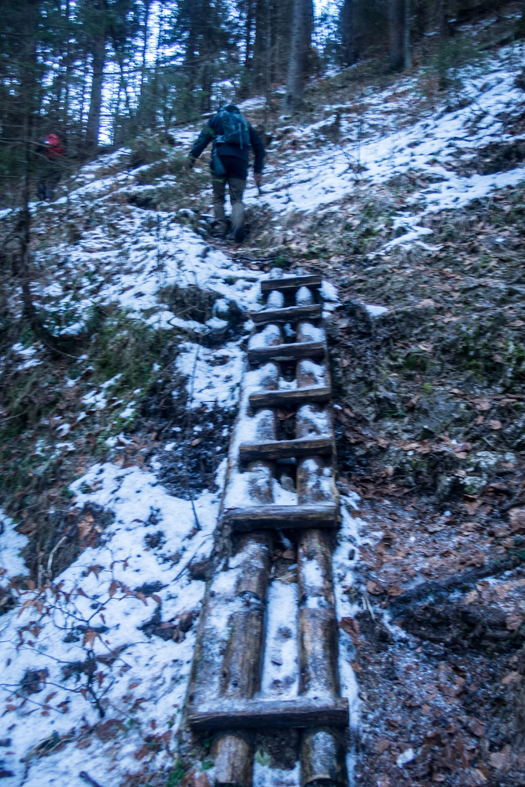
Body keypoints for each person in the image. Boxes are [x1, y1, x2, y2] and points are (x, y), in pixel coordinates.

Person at [186, 104, 265, 242]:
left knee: (218, 198)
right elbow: (259, 147)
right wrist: (257, 170)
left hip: (219, 161)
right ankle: (237, 228)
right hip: (240, 162)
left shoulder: (215, 119)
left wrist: (190, 162)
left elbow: (202, 141)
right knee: (236, 199)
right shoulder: (244, 122)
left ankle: (220, 231)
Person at [37, 133, 64, 202]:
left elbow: (37, 151)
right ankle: (49, 198)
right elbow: (64, 154)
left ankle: (42, 198)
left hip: (45, 164)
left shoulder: (45, 143)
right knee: (51, 183)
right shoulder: (60, 145)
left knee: (40, 181)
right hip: (57, 165)